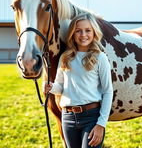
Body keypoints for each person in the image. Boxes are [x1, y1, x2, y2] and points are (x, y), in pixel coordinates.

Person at [43, 12, 113, 148]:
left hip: (91, 117)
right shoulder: (65, 57)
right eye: (78, 31)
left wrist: (101, 124)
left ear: (94, 33)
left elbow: (108, 91)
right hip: (68, 118)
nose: (83, 35)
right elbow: (60, 88)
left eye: (88, 30)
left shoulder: (100, 58)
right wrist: (50, 87)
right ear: (72, 34)